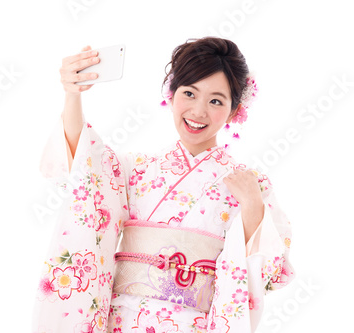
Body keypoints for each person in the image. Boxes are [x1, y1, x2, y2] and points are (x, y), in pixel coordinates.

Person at [32, 37, 294, 333]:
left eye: (216, 101)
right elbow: (84, 166)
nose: (198, 111)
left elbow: (271, 272)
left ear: (235, 110)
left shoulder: (249, 185)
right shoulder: (135, 169)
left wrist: (253, 208)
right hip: (123, 323)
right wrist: (72, 95)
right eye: (190, 93)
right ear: (172, 94)